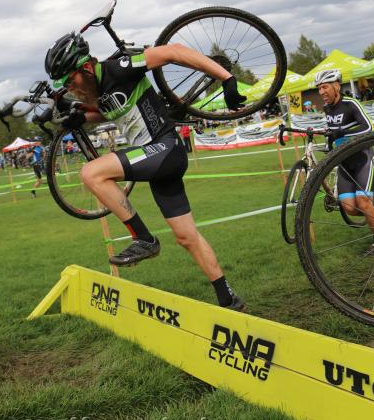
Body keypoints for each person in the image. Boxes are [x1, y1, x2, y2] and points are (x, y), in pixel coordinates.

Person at [45, 32, 248, 311]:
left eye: (71, 80)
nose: (70, 87)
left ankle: (143, 238)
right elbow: (108, 110)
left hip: (165, 149)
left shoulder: (119, 68)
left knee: (92, 173)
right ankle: (229, 298)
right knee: (187, 237)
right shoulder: (98, 91)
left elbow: (174, 51)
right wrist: (81, 115)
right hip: (159, 163)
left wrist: (227, 78)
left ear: (87, 69)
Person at [314, 69, 374, 256]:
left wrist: (342, 133)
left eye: (324, 87)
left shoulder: (350, 103)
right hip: (344, 163)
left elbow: (368, 127)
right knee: (349, 208)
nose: (321, 92)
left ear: (336, 86)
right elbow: (333, 134)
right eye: (319, 89)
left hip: (362, 158)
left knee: (363, 202)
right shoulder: (327, 109)